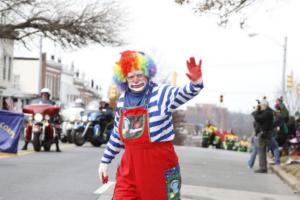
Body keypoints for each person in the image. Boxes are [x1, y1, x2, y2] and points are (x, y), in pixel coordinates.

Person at [98, 50, 203, 199]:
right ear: (124, 79)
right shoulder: (122, 100)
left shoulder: (161, 93)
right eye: (131, 76)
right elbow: (117, 134)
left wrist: (195, 82)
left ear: (147, 74)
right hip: (130, 166)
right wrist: (104, 162)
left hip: (158, 164)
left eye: (139, 75)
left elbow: (184, 93)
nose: (135, 80)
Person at [251, 99, 274, 173]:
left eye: (261, 106)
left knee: (261, 151)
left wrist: (257, 111)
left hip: (264, 134)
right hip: (265, 134)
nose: (260, 107)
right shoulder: (268, 112)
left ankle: (263, 168)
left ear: (264, 106)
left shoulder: (267, 113)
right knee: (262, 151)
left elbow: (258, 118)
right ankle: (263, 167)